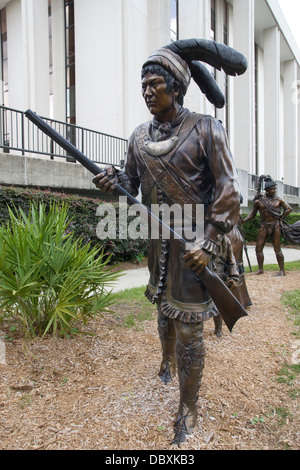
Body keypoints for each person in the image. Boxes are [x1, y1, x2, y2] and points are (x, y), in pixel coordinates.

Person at [93, 39, 247, 445]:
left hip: (196, 247)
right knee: (163, 309)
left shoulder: (207, 129)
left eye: (155, 84)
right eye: (143, 85)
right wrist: (115, 181)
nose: (147, 91)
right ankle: (165, 363)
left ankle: (189, 408)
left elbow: (229, 191)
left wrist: (211, 240)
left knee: (191, 329)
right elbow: (131, 183)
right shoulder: (137, 136)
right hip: (158, 241)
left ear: (176, 88)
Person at [242, 176, 292, 276]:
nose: (274, 190)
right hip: (264, 226)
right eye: (272, 189)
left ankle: (282, 270)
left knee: (277, 248)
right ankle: (260, 270)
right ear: (267, 190)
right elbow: (252, 214)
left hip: (275, 226)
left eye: (275, 188)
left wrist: (281, 218)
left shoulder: (279, 200)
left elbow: (289, 209)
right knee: (258, 248)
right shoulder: (259, 201)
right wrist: (243, 221)